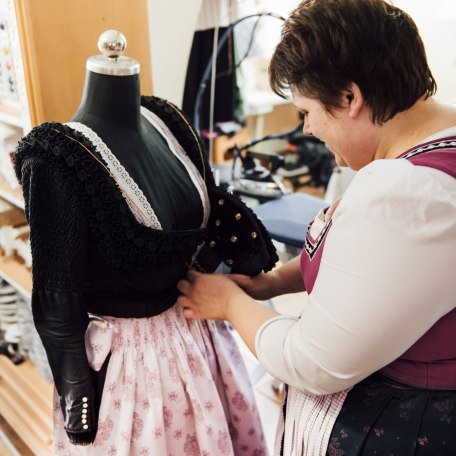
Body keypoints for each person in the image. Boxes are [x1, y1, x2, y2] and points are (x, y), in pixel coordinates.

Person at [177, 0, 456, 454]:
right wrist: (273, 284)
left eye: (307, 111)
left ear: (349, 98)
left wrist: (229, 303)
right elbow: (389, 271)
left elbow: (310, 361)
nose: (306, 130)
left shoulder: (407, 192)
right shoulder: (430, 155)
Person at [14, 32, 276, 455]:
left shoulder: (165, 121)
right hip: (132, 370)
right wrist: (78, 397)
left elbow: (213, 221)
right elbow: (56, 300)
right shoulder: (56, 161)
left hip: (203, 336)